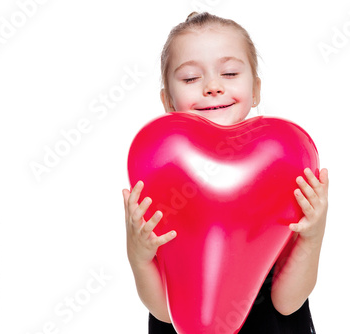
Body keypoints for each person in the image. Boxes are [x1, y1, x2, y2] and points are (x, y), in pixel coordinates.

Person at [122, 11, 329, 333]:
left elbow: (288, 302)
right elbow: (164, 314)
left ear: (256, 89)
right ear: (168, 100)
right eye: (191, 78)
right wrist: (139, 254)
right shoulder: (160, 168)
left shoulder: (285, 162)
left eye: (230, 73)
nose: (213, 87)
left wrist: (312, 236)